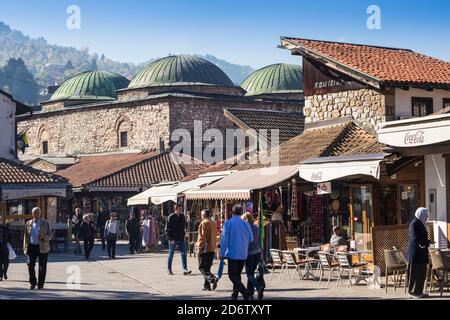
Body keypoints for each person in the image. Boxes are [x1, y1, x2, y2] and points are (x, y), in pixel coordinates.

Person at [220, 204, 253, 300]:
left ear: (232, 212)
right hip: (243, 253)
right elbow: (251, 238)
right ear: (241, 213)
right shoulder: (246, 224)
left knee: (232, 275)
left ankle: (244, 292)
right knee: (237, 274)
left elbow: (224, 240)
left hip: (233, 253)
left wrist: (222, 253)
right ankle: (235, 294)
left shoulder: (228, 223)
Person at [23, 207, 53, 290]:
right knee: (30, 265)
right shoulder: (28, 223)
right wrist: (25, 248)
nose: (36, 214)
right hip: (31, 247)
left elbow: (51, 235)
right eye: (34, 213)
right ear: (32, 214)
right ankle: (33, 282)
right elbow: (26, 236)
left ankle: (40, 284)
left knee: (42, 266)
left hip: (43, 247)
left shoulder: (46, 222)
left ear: (40, 213)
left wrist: (44, 237)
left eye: (37, 213)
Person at [407, 207, 431, 298]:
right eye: (426, 215)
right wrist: (427, 242)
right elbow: (415, 239)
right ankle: (414, 292)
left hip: (421, 254)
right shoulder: (414, 224)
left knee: (421, 274)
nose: (427, 217)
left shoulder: (420, 223)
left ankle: (419, 292)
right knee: (415, 274)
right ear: (421, 214)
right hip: (415, 254)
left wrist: (427, 242)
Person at [241, 212, 264, 300]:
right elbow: (259, 241)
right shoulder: (257, 228)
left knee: (249, 274)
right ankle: (250, 293)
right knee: (251, 273)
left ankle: (258, 287)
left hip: (249, 253)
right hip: (257, 252)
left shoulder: (244, 229)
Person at [165, 203, 192, 275]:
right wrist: (170, 239)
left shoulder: (182, 216)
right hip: (173, 239)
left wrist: (184, 234)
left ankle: (185, 269)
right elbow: (167, 229)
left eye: (181, 209)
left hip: (181, 238)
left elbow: (184, 226)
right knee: (171, 254)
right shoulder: (170, 217)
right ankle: (169, 269)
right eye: (179, 209)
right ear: (175, 209)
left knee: (184, 253)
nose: (181, 210)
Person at [195, 208, 218, 291]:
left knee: (201, 267)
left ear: (203, 215)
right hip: (212, 247)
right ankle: (207, 286)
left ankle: (212, 278)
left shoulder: (203, 223)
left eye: (201, 215)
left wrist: (199, 248)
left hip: (205, 248)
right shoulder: (213, 223)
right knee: (207, 267)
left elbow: (202, 237)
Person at [0, 216, 12, 281]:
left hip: (5, 247)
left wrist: (9, 244)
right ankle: (0, 275)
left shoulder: (6, 228)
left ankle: (5, 272)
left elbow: (10, 237)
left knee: (6, 262)